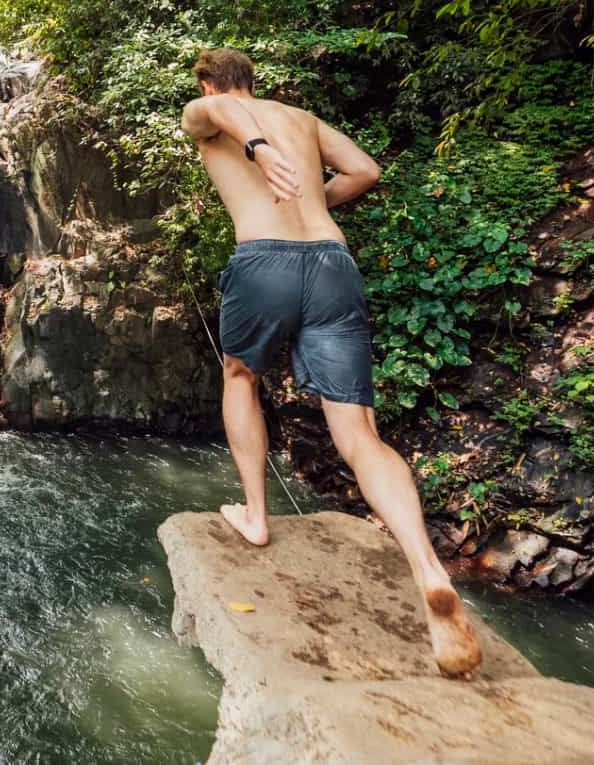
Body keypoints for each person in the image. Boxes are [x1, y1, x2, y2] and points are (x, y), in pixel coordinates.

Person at [179, 46, 482, 679]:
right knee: (360, 435)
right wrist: (312, 202)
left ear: (210, 80)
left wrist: (259, 152)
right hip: (332, 262)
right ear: (255, 81)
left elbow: (217, 113)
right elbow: (366, 171)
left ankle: (257, 516)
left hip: (263, 260)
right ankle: (429, 569)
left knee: (240, 375)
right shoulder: (304, 119)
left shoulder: (209, 109)